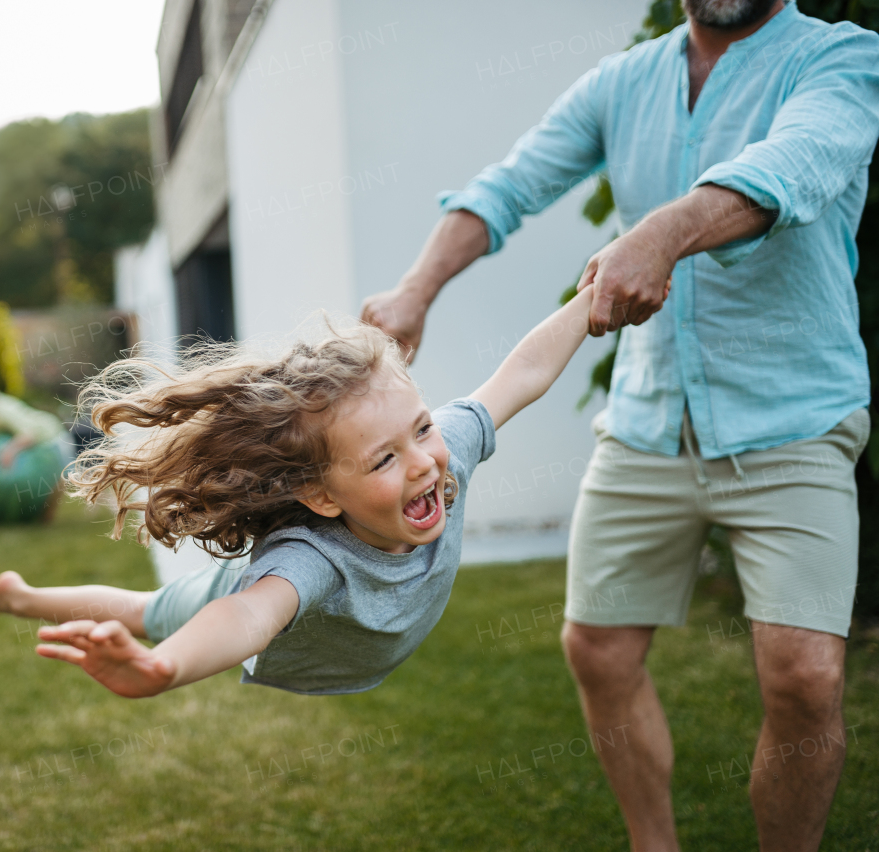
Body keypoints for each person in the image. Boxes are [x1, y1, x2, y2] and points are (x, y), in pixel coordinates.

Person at [362, 1, 877, 849]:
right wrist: (418, 286)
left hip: (795, 421)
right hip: (647, 419)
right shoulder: (624, 82)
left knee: (806, 678)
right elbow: (510, 184)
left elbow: (794, 168)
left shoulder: (846, 60)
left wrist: (666, 231)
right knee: (597, 648)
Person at [0, 289, 597, 698]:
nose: (422, 465)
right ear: (323, 497)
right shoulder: (311, 560)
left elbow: (521, 374)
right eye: (384, 459)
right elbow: (247, 616)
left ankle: (21, 594)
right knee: (148, 613)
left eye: (422, 429)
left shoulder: (443, 450)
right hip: (228, 596)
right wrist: (163, 667)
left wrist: (592, 300)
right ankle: (24, 596)